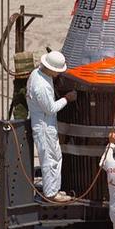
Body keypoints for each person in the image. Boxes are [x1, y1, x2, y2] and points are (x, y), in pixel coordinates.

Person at [25, 50, 76, 202]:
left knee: (55, 157)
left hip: (45, 124)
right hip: (44, 127)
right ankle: (51, 194)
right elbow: (50, 108)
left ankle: (54, 189)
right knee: (49, 160)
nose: (58, 74)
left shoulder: (37, 74)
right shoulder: (41, 86)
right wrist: (67, 98)